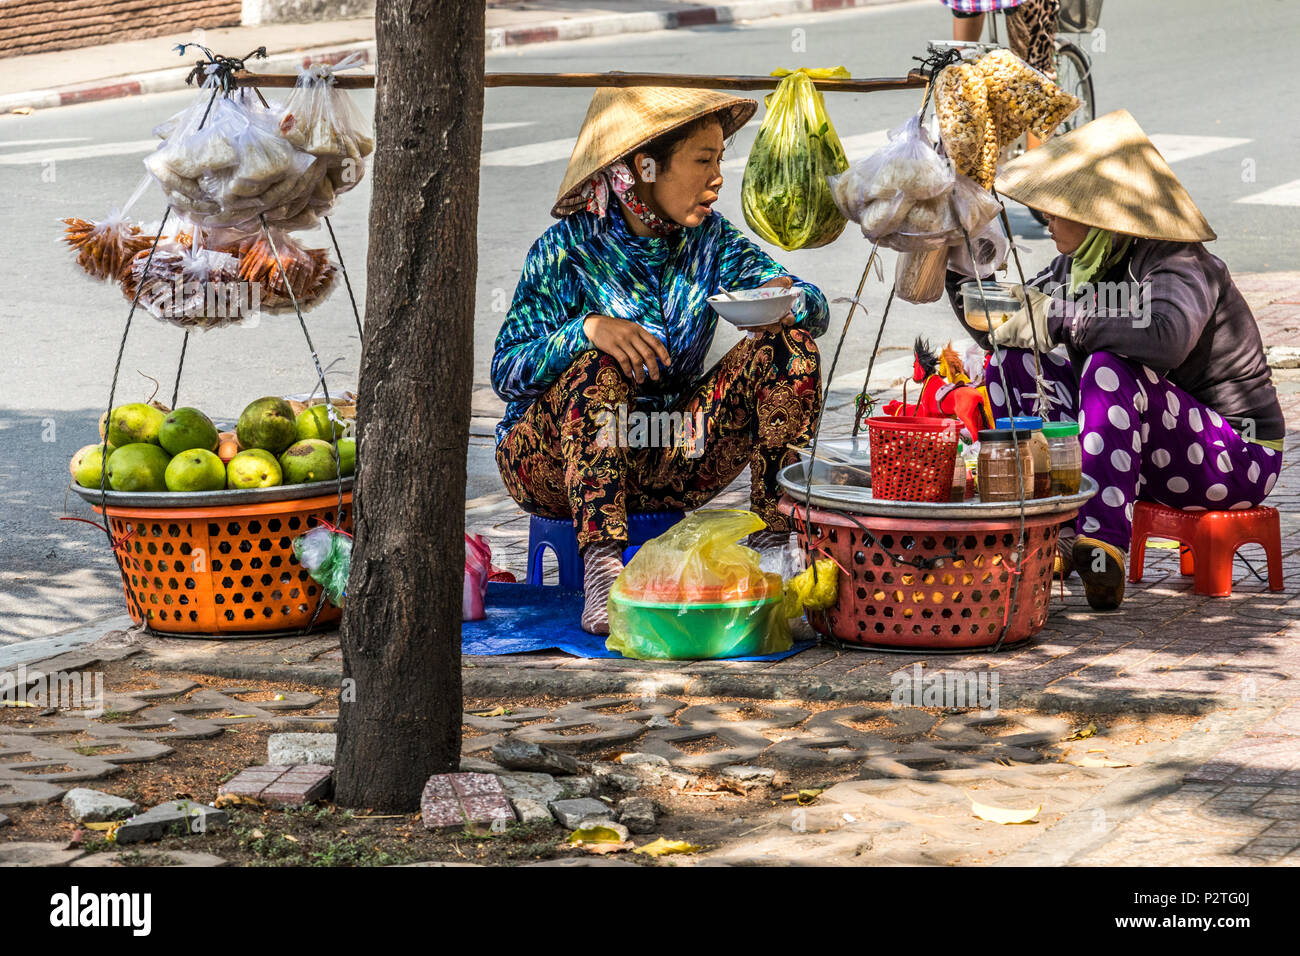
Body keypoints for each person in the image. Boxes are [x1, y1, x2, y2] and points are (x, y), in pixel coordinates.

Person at [492, 87, 829, 634]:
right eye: (702, 161)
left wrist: (786, 301)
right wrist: (585, 332)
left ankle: (773, 541)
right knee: (598, 369)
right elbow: (506, 371)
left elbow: (814, 307)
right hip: (552, 467)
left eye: (720, 160)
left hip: (669, 451)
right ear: (644, 168)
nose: (717, 177)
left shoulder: (711, 241)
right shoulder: (564, 250)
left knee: (790, 349)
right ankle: (601, 569)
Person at [944, 109, 1284, 611]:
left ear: (1100, 214)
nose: (1048, 220)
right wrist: (956, 265)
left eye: (1060, 209)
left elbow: (1167, 337)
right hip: (1147, 452)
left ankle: (1101, 551)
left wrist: (1064, 320)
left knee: (1106, 368)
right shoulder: (1076, 265)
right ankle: (1050, 528)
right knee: (1012, 363)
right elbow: (1004, 318)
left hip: (1237, 455)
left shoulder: (1175, 260)